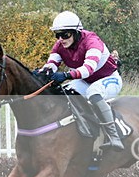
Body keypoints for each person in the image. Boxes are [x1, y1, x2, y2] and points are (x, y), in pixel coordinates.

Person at [40, 10, 123, 151]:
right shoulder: (59, 45)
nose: (61, 39)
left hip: (108, 78)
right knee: (64, 92)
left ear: (76, 32)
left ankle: (114, 136)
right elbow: (52, 64)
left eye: (65, 35)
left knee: (93, 93)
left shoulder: (92, 41)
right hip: (85, 81)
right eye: (57, 35)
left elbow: (88, 69)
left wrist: (65, 75)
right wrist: (43, 72)